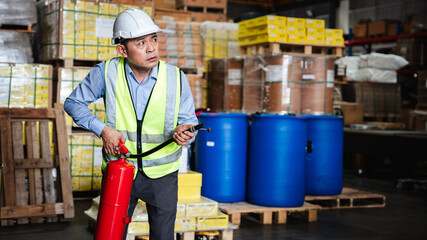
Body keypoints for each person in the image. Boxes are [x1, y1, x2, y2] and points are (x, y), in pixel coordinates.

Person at [64, 8, 198, 240]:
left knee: (163, 236)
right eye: (141, 42)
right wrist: (103, 130)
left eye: (154, 39)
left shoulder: (176, 77)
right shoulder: (106, 72)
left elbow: (188, 121)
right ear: (122, 50)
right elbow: (73, 103)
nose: (151, 48)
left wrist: (185, 132)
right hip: (120, 170)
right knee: (110, 235)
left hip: (162, 175)